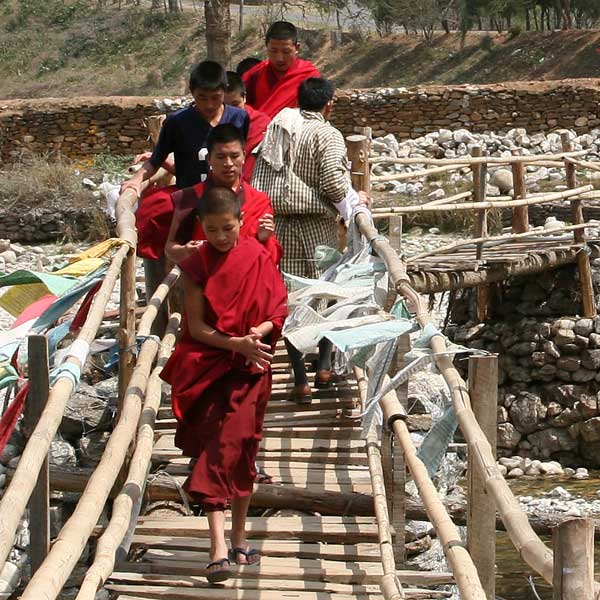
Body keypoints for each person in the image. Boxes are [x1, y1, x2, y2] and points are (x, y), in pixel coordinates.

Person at [160, 187, 288, 583]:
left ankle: (238, 535)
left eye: (227, 228)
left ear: (241, 222)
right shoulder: (197, 265)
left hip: (252, 367)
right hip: (212, 365)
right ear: (203, 225)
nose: (219, 236)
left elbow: (278, 307)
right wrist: (237, 344)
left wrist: (258, 334)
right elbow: (196, 326)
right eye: (212, 229)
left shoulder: (255, 255)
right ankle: (217, 546)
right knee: (218, 448)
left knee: (244, 447)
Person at [252, 77, 369, 404]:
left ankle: (299, 379)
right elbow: (333, 182)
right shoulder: (326, 134)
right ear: (329, 103)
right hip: (317, 225)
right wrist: (353, 200)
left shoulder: (279, 127)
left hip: (280, 225)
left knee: (291, 298)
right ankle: (324, 365)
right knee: (326, 290)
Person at [135, 124, 281, 267]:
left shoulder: (259, 200)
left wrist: (265, 239)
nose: (228, 163)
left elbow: (272, 257)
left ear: (244, 155)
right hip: (204, 284)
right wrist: (186, 251)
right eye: (221, 157)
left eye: (234, 156)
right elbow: (170, 249)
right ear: (209, 159)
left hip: (249, 282)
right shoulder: (190, 197)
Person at [242, 21, 320, 119]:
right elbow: (240, 108)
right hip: (260, 131)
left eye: (286, 51)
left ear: (297, 48)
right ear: (266, 46)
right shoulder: (254, 75)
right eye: (273, 51)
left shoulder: (308, 76)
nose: (279, 58)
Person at [224, 71, 271, 182]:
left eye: (235, 104)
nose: (231, 112)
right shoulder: (211, 124)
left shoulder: (262, 123)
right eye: (225, 106)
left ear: (244, 97)